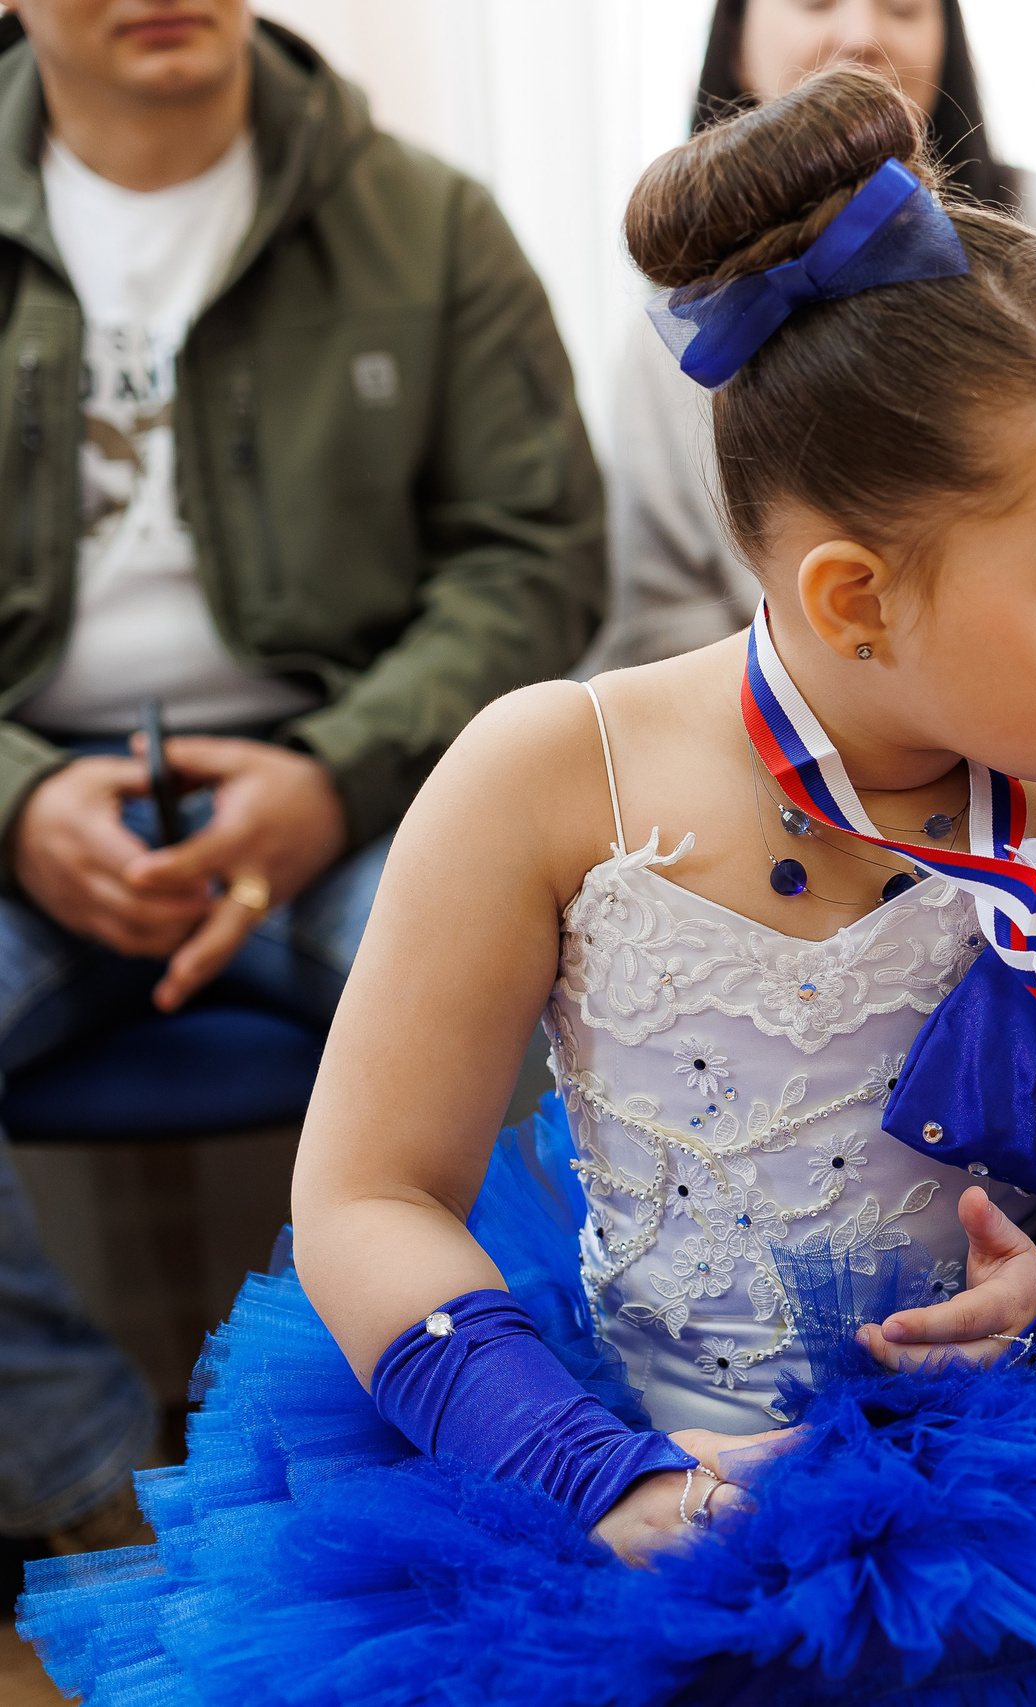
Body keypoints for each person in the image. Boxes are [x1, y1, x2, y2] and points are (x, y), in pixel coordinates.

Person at [18, 67, 1036, 1707]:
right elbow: (368, 1193)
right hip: (600, 1450)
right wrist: (592, 1468)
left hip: (1010, 1475)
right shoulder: (549, 771)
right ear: (856, 599)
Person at [0, 0, 602, 1566]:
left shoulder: (427, 219)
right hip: (24, 799)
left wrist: (329, 777)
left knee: (549, 1014)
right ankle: (82, 1507)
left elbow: (532, 559)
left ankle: (478, 1479)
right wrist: (16, 797)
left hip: (361, 785)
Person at [596, 0, 1036, 720]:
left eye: (904, 7)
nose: (862, 35)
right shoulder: (687, 334)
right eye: (815, 2)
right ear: (734, 42)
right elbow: (662, 631)